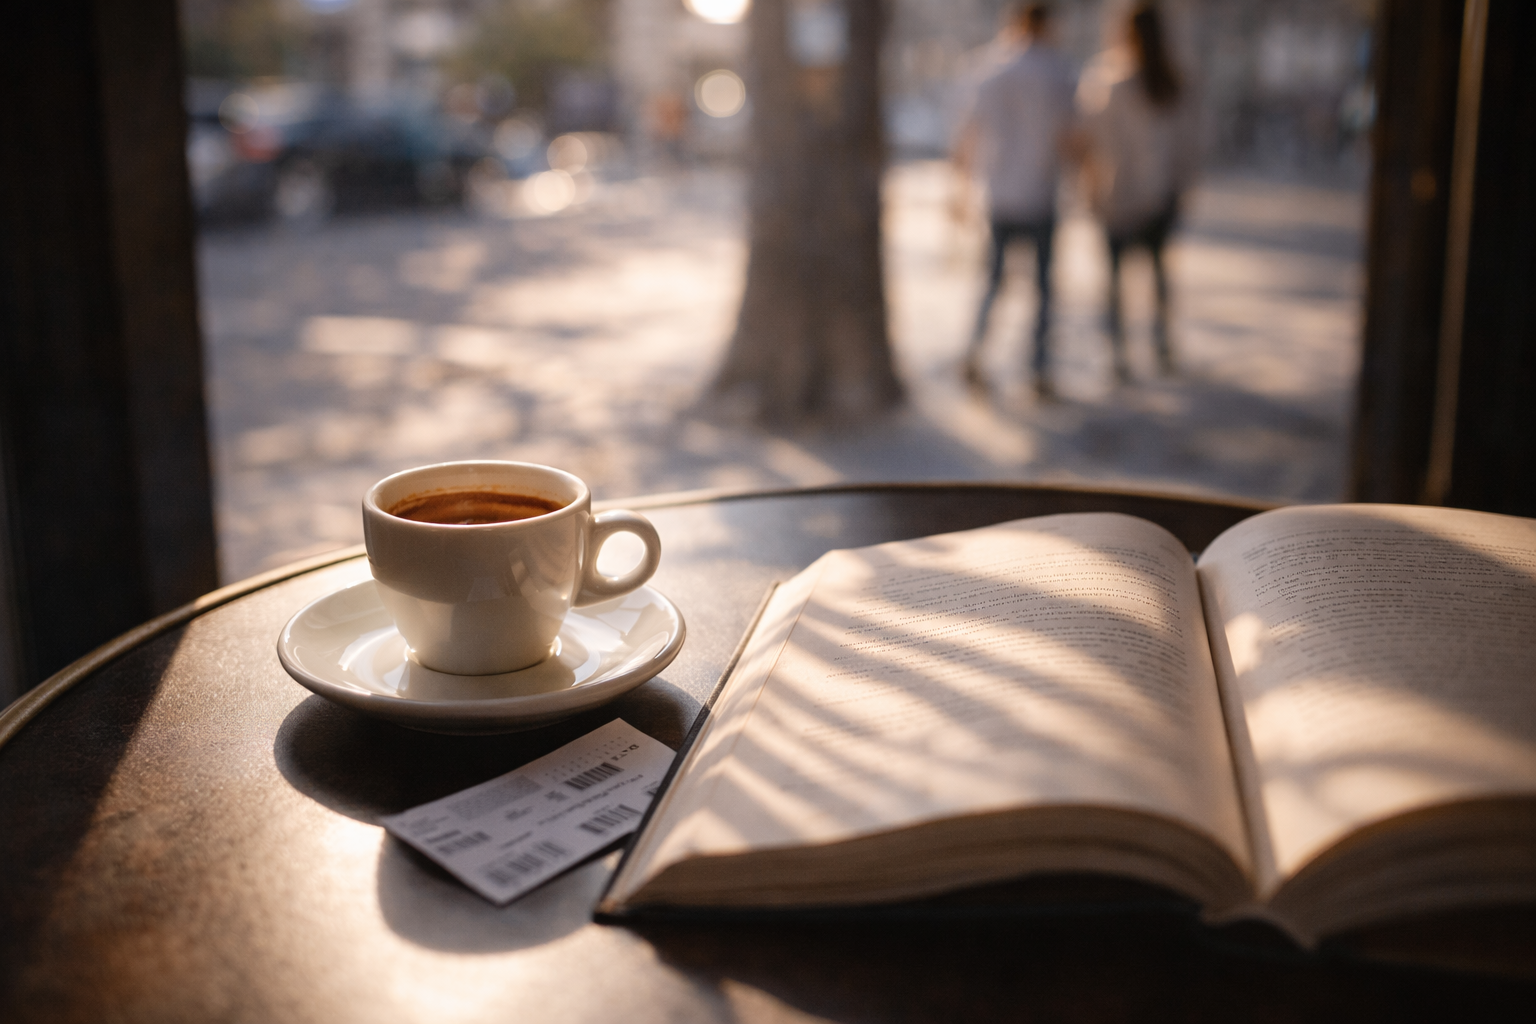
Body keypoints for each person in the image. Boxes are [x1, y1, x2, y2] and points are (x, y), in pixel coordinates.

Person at [952, 3, 1079, 398]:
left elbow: (967, 135)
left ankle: (975, 354)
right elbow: (1070, 136)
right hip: (1041, 194)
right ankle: (1038, 370)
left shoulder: (991, 69)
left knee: (993, 282)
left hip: (1001, 194)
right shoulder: (1057, 72)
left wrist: (958, 189)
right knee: (1042, 289)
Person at [1077, 2, 1198, 381]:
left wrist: (1092, 190)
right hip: (1160, 196)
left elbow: (1091, 144)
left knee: (1115, 282)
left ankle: (1119, 356)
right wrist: (1179, 189)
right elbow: (1191, 146)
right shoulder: (1174, 81)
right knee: (1158, 275)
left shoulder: (1108, 81)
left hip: (1117, 197)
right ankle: (1162, 347)